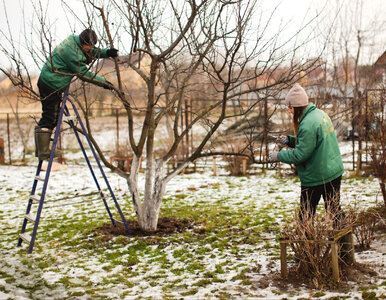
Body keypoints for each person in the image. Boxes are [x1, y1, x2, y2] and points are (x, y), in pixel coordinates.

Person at [35, 29, 118, 160]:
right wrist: (104, 83)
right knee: (50, 117)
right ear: (83, 42)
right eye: (89, 46)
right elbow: (84, 74)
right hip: (51, 84)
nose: (91, 48)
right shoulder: (73, 54)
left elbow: (89, 52)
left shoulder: (75, 41)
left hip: (50, 81)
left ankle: (41, 149)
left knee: (51, 116)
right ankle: (43, 151)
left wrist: (106, 53)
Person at [268, 83, 345, 226]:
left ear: (296, 107)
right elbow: (311, 143)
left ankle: (305, 247)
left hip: (317, 176)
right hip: (332, 171)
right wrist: (289, 140)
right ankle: (344, 245)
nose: (289, 111)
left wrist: (278, 156)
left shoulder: (307, 124)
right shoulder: (320, 114)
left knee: (306, 216)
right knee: (334, 211)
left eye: (290, 107)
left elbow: (300, 155)